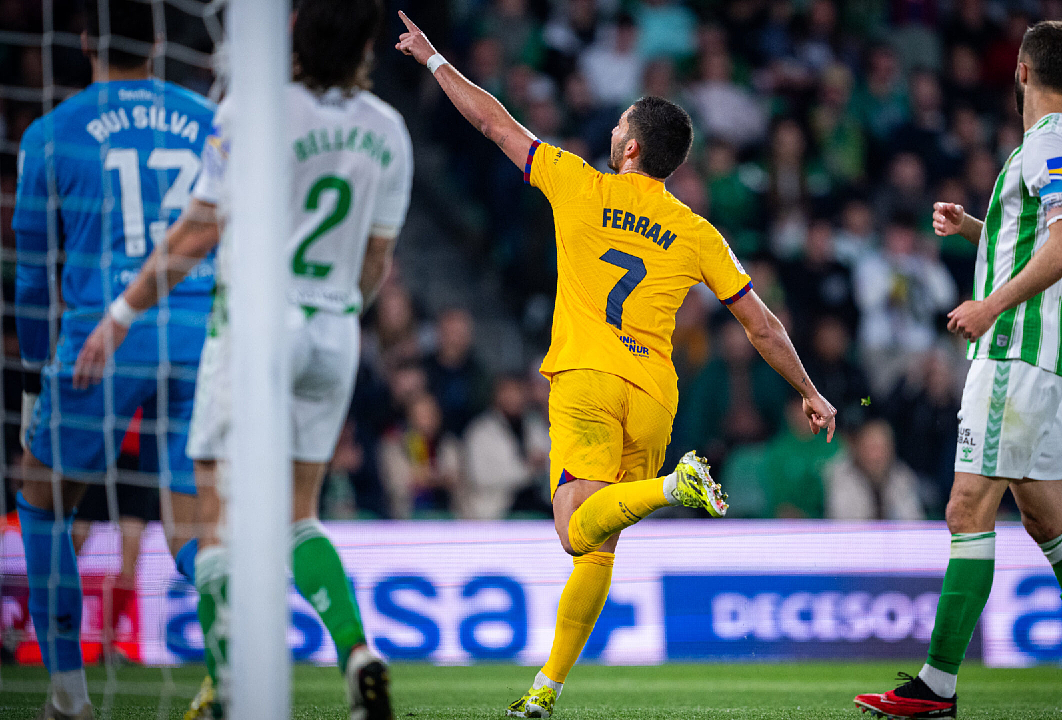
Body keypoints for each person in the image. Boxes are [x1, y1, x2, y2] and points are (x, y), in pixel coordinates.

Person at [396, 12, 837, 718]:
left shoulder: (578, 182)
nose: (609, 134)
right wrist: (811, 391)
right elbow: (760, 323)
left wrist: (434, 60)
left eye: (617, 128)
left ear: (628, 147)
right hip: (654, 394)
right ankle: (546, 690)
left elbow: (495, 125)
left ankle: (672, 488)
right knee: (597, 546)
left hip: (587, 379)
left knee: (574, 530)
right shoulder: (697, 230)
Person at [74, 1, 409, 718]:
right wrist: (338, 311)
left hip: (257, 324)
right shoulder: (390, 130)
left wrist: (122, 313)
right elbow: (377, 259)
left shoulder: (254, 111)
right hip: (335, 329)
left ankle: (227, 685)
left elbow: (197, 233)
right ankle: (357, 651)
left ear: (292, 35)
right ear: (366, 47)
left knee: (212, 514)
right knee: (298, 512)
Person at [853, 21, 1062, 720]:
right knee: (1049, 518)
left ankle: (936, 685)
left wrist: (989, 305)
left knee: (966, 508)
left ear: (1021, 70)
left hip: (1016, 350)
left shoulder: (1049, 142)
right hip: (1045, 357)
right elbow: (1039, 239)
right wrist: (972, 228)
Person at [11, 4, 216, 717]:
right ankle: (236, 663)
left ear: (84, 40)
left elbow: (33, 275)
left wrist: (39, 374)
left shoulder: (50, 133)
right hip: (201, 337)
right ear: (159, 40)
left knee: (42, 505)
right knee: (193, 527)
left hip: (104, 343)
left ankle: (68, 698)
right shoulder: (206, 118)